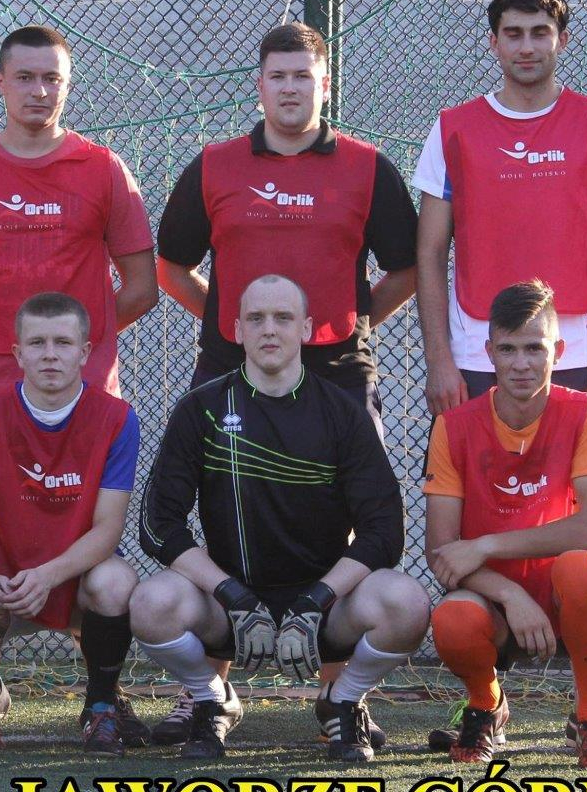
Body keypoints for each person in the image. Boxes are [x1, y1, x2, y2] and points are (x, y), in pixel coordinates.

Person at [153, 21, 418, 742]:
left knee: (349, 522)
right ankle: (208, 692)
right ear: (260, 85)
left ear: (325, 84)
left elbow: (406, 268)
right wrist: (242, 329)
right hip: (230, 366)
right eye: (279, 76)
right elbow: (171, 266)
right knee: (222, 511)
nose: (291, 88)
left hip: (338, 368)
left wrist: (343, 324)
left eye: (304, 75)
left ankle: (340, 696)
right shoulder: (214, 166)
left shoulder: (368, 167)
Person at [0, 24, 156, 741]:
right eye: (25, 77)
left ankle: (103, 694)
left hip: (82, 397)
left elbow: (141, 285)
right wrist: (0, 351)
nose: (39, 90)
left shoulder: (102, 169)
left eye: (53, 78)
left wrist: (75, 352)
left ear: (67, 86)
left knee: (84, 544)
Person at [132, 275, 429, 761]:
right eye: (256, 318)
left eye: (283, 318)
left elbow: (384, 532)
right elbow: (157, 524)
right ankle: (212, 700)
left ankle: (342, 700)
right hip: (229, 607)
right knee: (151, 602)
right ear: (237, 330)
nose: (269, 329)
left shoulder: (343, 413)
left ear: (306, 329)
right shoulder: (201, 409)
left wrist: (317, 599)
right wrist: (231, 594)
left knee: (407, 601)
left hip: (325, 610)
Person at [0, 293, 146, 755]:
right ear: (18, 353)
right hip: (4, 576)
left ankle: (101, 706)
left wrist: (48, 576)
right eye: (37, 343)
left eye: (63, 343)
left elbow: (108, 529)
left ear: (84, 352)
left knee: (117, 583)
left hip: (77, 575)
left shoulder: (117, 418)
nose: (49, 354)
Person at [415, 0, 587, 420]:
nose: (526, 47)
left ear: (563, 40)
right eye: (514, 34)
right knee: (472, 468)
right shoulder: (452, 129)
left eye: (540, 33)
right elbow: (429, 251)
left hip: (579, 350)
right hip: (478, 351)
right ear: (494, 43)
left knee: (575, 469)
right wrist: (440, 360)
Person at [423, 279, 587, 769]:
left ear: (558, 351)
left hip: (561, 597)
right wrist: (510, 594)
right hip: (492, 599)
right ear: (489, 353)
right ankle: (485, 706)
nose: (521, 363)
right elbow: (440, 551)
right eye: (508, 349)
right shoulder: (454, 426)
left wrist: (486, 544)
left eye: (534, 348)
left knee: (585, 570)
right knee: (451, 619)